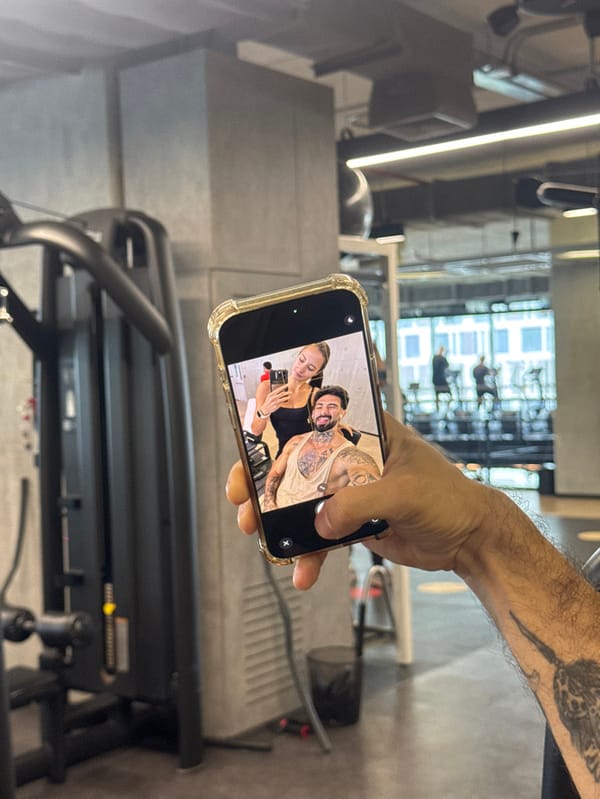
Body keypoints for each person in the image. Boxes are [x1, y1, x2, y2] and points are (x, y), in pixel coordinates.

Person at [226, 413, 600, 798]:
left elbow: (357, 468)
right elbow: (272, 478)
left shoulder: (349, 452)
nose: (325, 413)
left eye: (333, 407)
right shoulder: (292, 444)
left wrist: (479, 536)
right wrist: (478, 535)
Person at [262, 385, 381, 510]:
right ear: (313, 413)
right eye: (319, 407)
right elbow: (275, 473)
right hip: (272, 506)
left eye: (332, 406)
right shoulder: (295, 441)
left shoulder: (350, 456)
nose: (323, 412)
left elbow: (374, 496)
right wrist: (269, 504)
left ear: (343, 413)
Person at [251, 342, 330, 456]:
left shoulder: (315, 393)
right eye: (301, 360)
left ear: (317, 373)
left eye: (310, 368)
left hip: (309, 454)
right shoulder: (266, 387)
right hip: (284, 454)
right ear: (297, 356)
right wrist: (265, 410)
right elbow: (256, 430)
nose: (301, 369)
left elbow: (321, 429)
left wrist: (336, 424)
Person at [431, 345, 451, 411]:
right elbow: (447, 365)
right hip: (441, 379)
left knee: (437, 395)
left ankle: (438, 410)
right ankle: (445, 410)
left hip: (435, 379)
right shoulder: (442, 358)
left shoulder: (435, 358)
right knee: (450, 394)